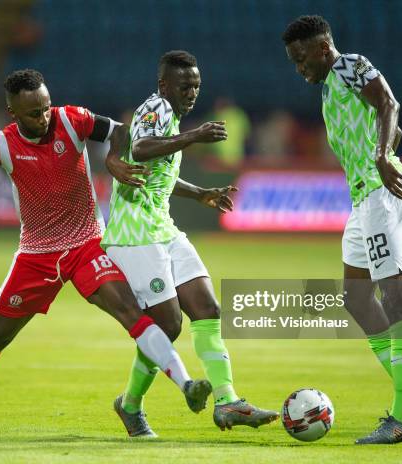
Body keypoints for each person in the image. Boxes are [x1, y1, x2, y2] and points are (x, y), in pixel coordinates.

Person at [0, 69, 212, 433]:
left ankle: (186, 385)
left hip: (86, 245)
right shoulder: (0, 145)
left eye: (47, 107)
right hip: (37, 254)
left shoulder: (72, 119)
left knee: (131, 311)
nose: (45, 116)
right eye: (35, 113)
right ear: (13, 113)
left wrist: (113, 159)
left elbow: (119, 130)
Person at [101, 51, 279, 438]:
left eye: (197, 85)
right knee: (167, 323)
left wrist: (200, 193)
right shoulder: (157, 109)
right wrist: (195, 136)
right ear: (164, 85)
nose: (193, 92)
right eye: (185, 86)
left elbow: (157, 175)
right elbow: (142, 148)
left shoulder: (172, 115)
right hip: (134, 234)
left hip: (162, 227)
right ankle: (130, 405)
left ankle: (228, 400)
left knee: (207, 307)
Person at [282, 16, 402, 444]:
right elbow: (388, 125)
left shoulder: (349, 65)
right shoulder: (332, 89)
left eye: (301, 59)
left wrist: (383, 156)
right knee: (355, 298)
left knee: (396, 298)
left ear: (321, 47)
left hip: (383, 197)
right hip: (363, 200)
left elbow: (390, 106)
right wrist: (382, 146)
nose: (299, 69)